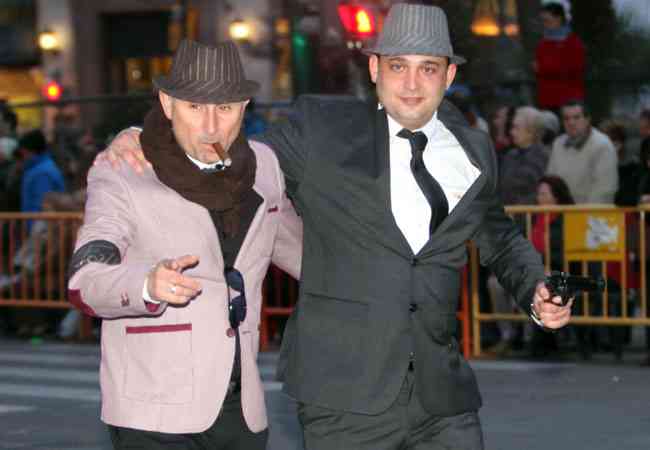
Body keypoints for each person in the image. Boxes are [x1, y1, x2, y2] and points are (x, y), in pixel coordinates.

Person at [103, 5, 572, 450]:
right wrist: (149, 137)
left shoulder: (474, 150)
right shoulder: (323, 130)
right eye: (398, 66)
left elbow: (500, 236)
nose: (411, 83)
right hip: (344, 397)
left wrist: (534, 287)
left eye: (428, 68)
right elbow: (232, 156)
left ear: (449, 76)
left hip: (443, 396)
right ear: (374, 69)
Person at [67, 40, 302, 449]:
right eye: (195, 107)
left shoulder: (264, 167)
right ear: (168, 103)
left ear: (244, 106)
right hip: (153, 411)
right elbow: (87, 277)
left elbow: (308, 257)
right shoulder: (125, 170)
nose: (210, 126)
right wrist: (146, 284)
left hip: (241, 410)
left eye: (224, 108)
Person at [487, 106, 549, 355]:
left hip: (531, 228)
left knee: (527, 281)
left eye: (516, 127)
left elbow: (532, 188)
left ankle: (528, 335)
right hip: (508, 230)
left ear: (531, 130)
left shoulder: (542, 156)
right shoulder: (510, 156)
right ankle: (507, 334)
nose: (512, 131)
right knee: (496, 283)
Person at [546, 100, 618, 204]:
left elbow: (604, 190)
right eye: (566, 118)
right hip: (561, 211)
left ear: (587, 120)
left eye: (576, 117)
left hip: (591, 211)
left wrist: (584, 213)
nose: (571, 123)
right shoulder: (558, 143)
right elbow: (550, 182)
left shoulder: (603, 145)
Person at [534, 2, 585, 112]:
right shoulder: (543, 43)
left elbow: (574, 68)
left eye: (548, 21)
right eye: (543, 21)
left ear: (559, 19)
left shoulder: (573, 42)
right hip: (547, 100)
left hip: (568, 100)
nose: (545, 24)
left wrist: (544, 68)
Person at [17, 129, 65, 230]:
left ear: (30, 151)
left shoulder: (42, 173)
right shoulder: (39, 168)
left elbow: (40, 205)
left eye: (23, 152)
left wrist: (32, 230)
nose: (22, 156)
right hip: (39, 228)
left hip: (40, 231)